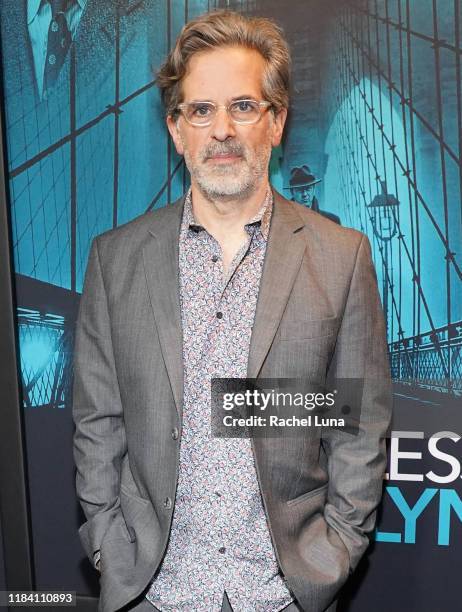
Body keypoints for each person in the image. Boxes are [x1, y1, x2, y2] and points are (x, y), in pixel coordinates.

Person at [72, 10, 392, 612]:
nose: (221, 130)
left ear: (276, 123)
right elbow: (98, 422)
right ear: (176, 130)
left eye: (243, 107)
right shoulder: (114, 260)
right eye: (200, 110)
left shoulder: (340, 257)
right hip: (153, 595)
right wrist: (108, 545)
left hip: (282, 596)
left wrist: (335, 554)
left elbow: (357, 426)